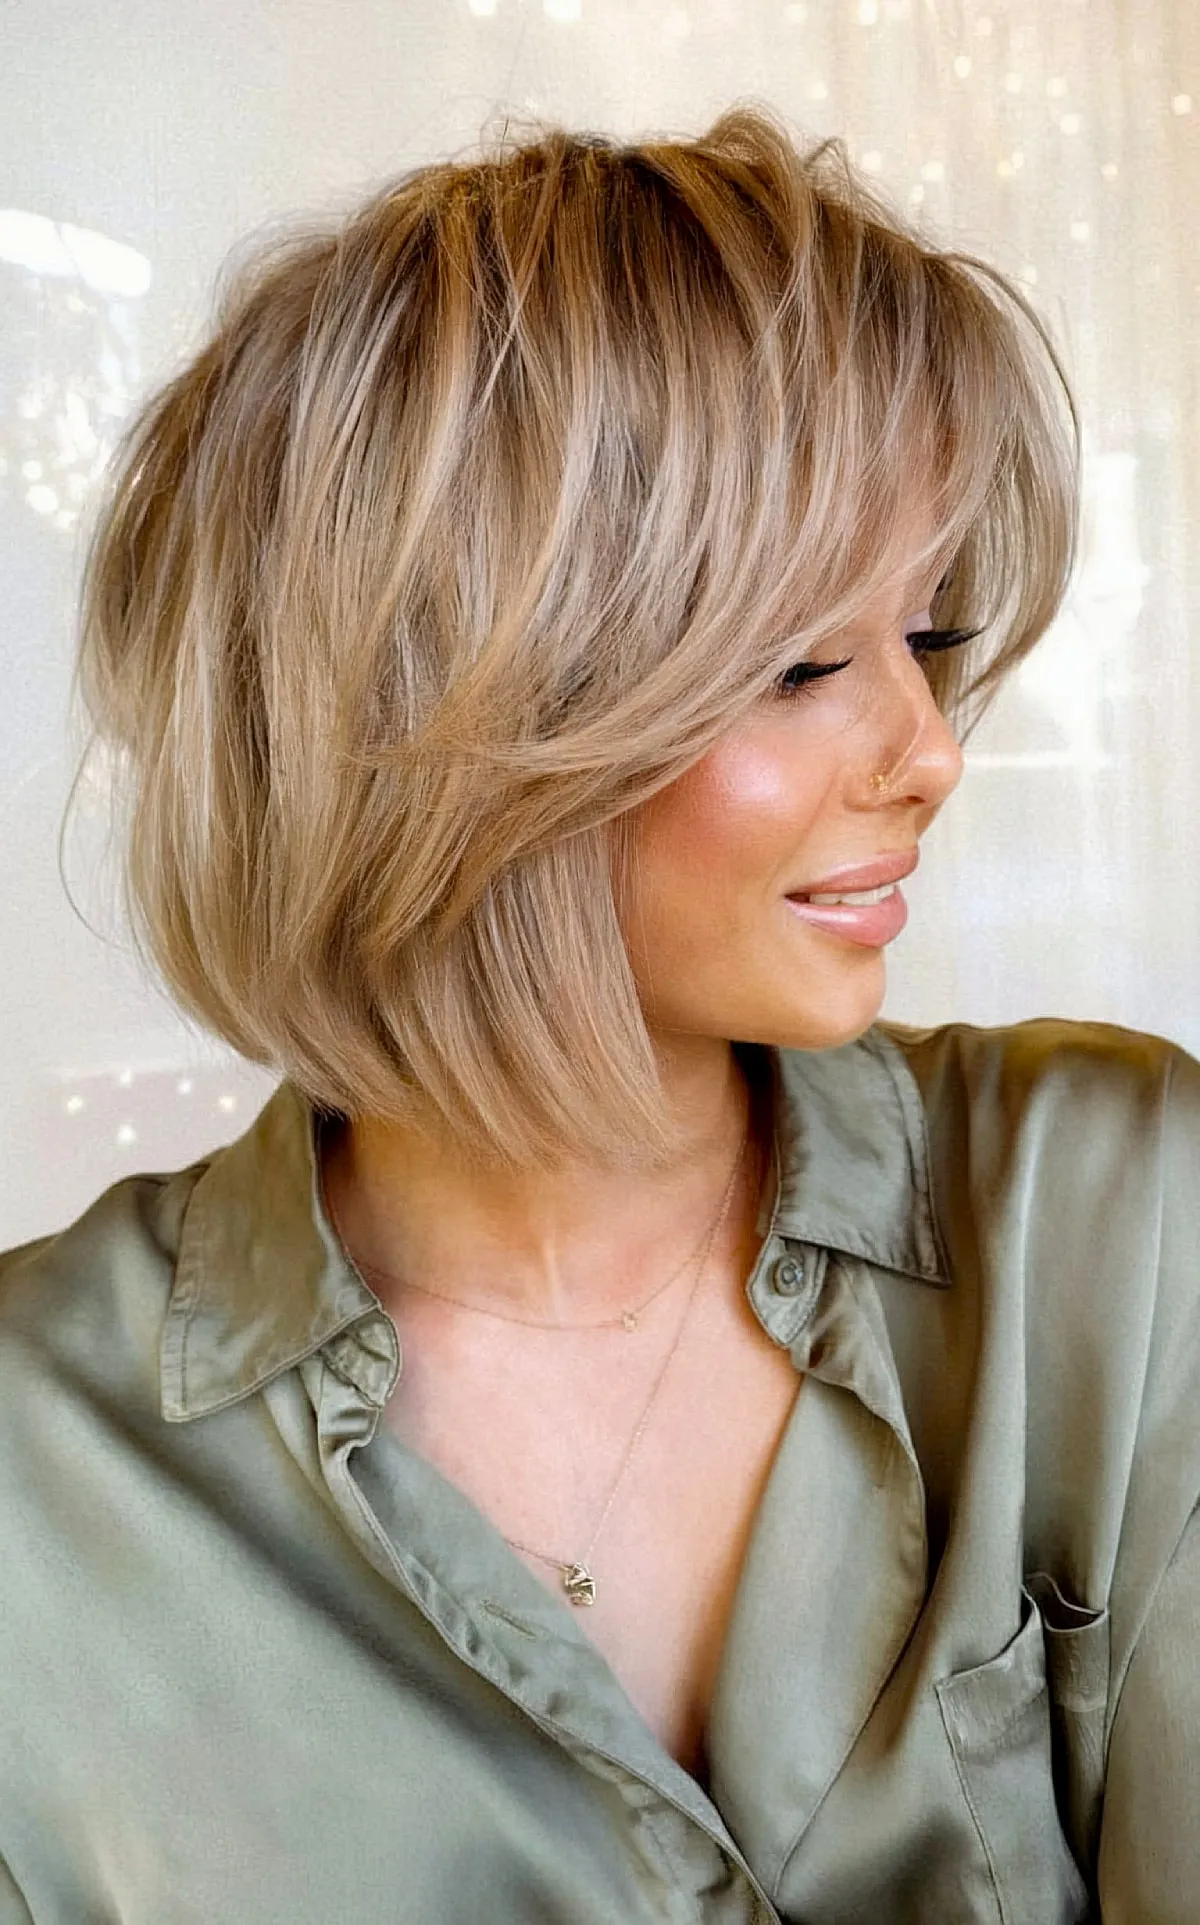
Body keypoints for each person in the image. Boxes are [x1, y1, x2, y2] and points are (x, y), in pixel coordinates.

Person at [0, 101, 1196, 1925]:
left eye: (929, 636)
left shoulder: (1108, 1218)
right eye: (803, 662)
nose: (931, 751)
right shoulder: (38, 1472)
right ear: (444, 726)